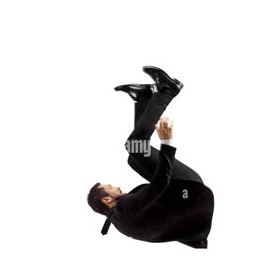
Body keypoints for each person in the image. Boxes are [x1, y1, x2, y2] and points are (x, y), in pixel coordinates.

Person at [87, 66, 214, 248]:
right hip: (190, 192)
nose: (117, 186)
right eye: (111, 187)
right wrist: (167, 143)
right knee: (135, 146)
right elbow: (160, 184)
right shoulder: (124, 210)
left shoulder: (119, 219)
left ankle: (145, 98)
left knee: (134, 157)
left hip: (186, 205)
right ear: (107, 200)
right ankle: (167, 90)